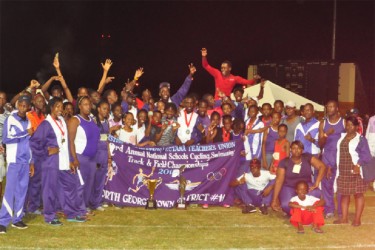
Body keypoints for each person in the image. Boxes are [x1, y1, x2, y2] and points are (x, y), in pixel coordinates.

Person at [30, 97, 85, 225]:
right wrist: (46, 152)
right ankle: (50, 216)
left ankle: (71, 213)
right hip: (51, 163)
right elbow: (33, 142)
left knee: (70, 187)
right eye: (58, 107)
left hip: (64, 162)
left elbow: (65, 143)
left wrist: (71, 160)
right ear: (51, 107)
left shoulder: (62, 122)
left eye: (61, 107)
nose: (61, 109)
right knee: (50, 190)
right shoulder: (45, 124)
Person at [0, 95, 34, 233]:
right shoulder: (11, 119)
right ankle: (3, 221)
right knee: (10, 192)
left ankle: (17, 219)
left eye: (25, 106)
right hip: (14, 161)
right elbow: (6, 139)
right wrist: (24, 132)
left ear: (28, 107)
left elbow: (30, 144)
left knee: (22, 191)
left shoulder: (29, 121)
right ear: (17, 105)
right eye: (21, 105)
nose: (22, 108)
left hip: (25, 162)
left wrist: (32, 162)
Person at [333, 116, 372, 226]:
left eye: (351, 125)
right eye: (347, 125)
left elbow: (367, 156)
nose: (349, 127)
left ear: (356, 127)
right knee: (344, 194)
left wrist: (358, 165)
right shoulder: (342, 137)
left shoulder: (360, 139)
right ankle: (344, 218)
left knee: (358, 194)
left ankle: (357, 219)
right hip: (343, 170)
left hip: (356, 170)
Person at [271, 140, 326, 215]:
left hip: (305, 186)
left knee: (317, 193)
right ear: (290, 150)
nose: (296, 150)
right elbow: (279, 181)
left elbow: (322, 166)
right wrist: (274, 200)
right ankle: (303, 210)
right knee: (286, 205)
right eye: (294, 148)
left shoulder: (307, 157)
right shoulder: (284, 162)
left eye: (299, 148)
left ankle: (304, 211)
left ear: (302, 150)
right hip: (289, 186)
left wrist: (317, 182)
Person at [68, 96, 100, 217]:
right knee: (80, 185)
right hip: (80, 157)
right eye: (85, 104)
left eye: (89, 104)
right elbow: (70, 141)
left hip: (92, 158)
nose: (88, 106)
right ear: (79, 106)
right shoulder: (75, 120)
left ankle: (84, 207)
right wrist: (74, 158)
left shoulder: (92, 119)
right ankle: (78, 209)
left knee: (89, 185)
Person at [318, 100, 346, 219]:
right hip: (327, 155)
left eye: (332, 106)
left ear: (337, 108)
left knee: (341, 184)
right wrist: (326, 134)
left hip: (341, 156)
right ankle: (329, 209)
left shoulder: (344, 122)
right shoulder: (323, 123)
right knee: (326, 183)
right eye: (328, 107)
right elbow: (320, 144)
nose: (329, 109)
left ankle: (340, 210)